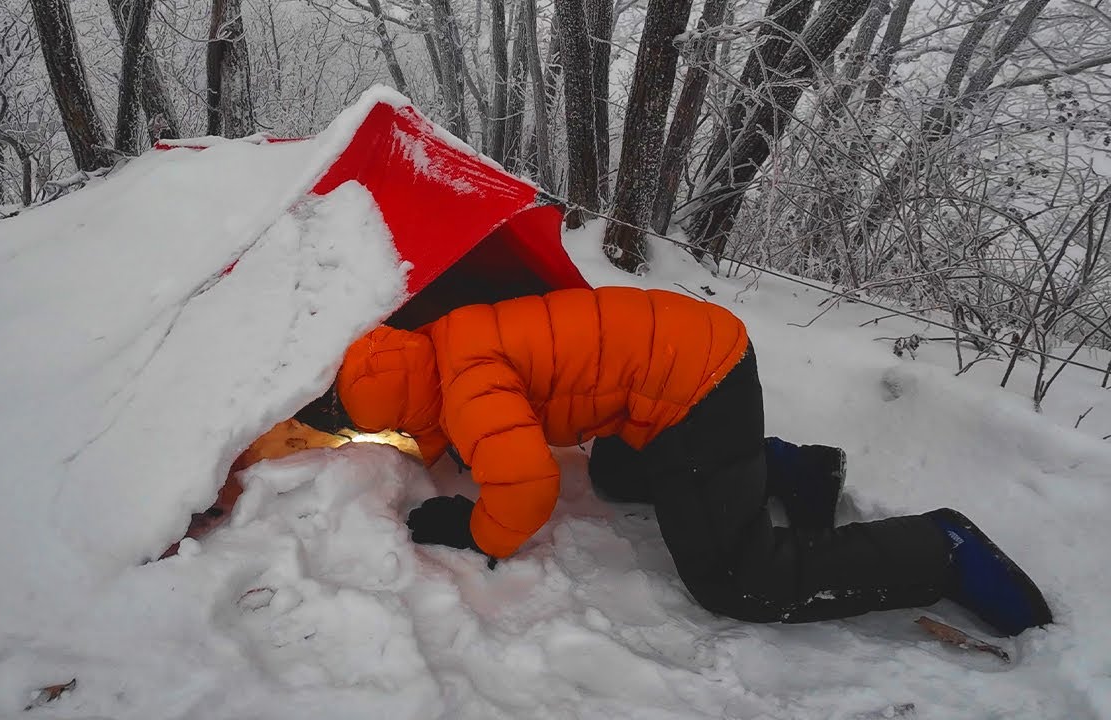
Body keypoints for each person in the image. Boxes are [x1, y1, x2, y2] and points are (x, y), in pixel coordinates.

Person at [297, 286, 1053, 636]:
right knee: (622, 473)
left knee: (738, 581)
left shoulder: (465, 386)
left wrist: (475, 527)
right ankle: (795, 470)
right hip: (688, 349)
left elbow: (526, 489)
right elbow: (484, 417)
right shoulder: (450, 333)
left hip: (698, 390)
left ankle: (943, 549)